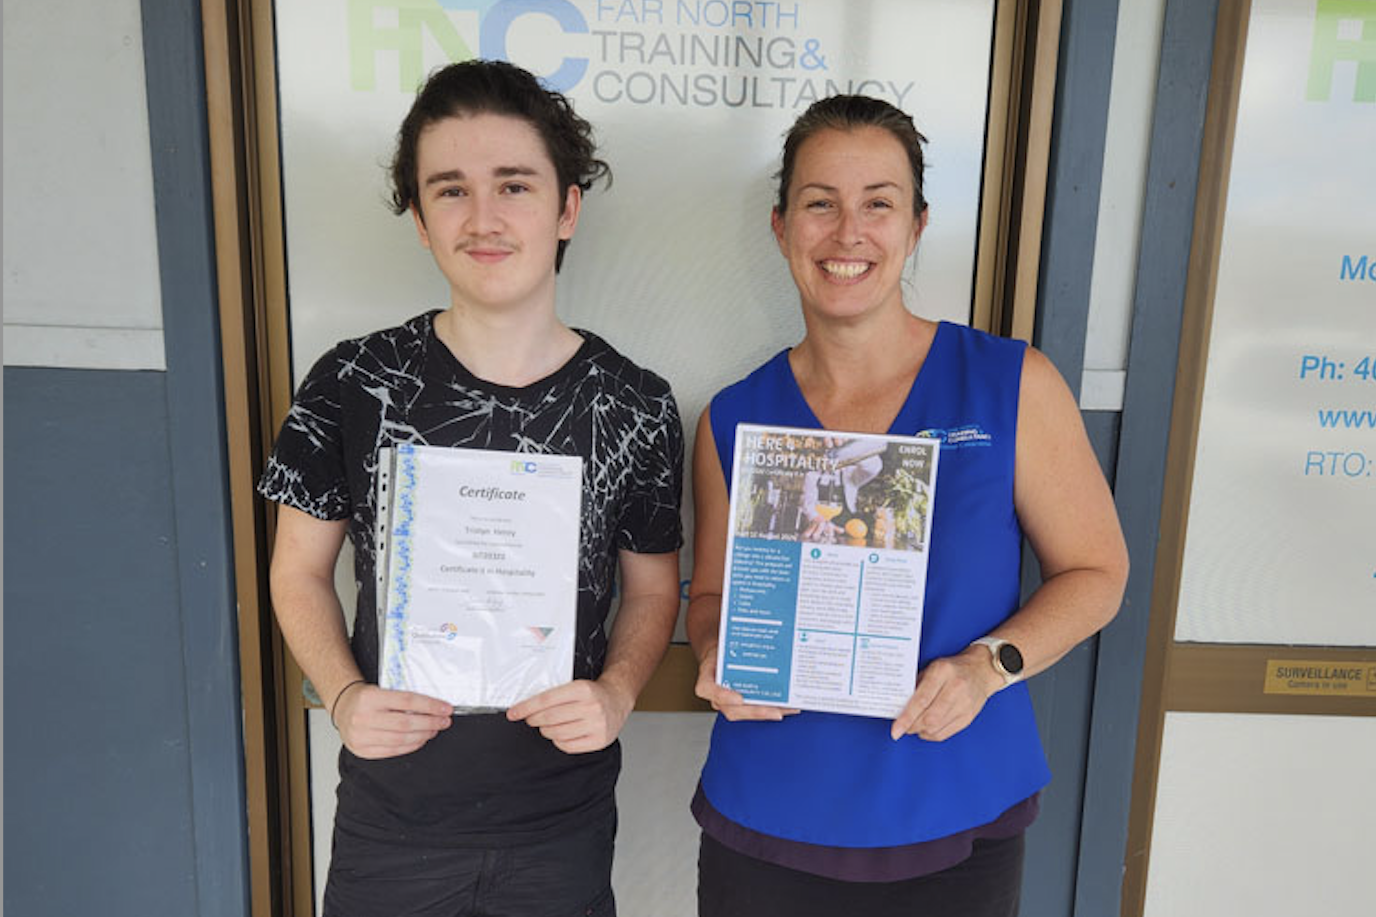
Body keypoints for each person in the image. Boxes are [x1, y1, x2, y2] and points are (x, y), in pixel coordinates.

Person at [686, 95, 1129, 917]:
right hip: (771, 812)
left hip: (957, 805)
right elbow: (708, 597)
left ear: (917, 224)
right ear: (782, 227)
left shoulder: (1011, 384)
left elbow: (1098, 571)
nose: (848, 233)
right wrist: (716, 652)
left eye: (878, 204)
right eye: (821, 203)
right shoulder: (734, 415)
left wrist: (989, 663)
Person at [259, 59, 683, 917]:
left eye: (514, 185)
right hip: (392, 820)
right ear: (418, 218)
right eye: (450, 190)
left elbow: (652, 588)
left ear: (567, 207)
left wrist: (617, 691)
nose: (483, 218)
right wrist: (342, 697)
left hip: (561, 821)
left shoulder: (636, 402)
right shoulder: (352, 380)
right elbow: (297, 572)